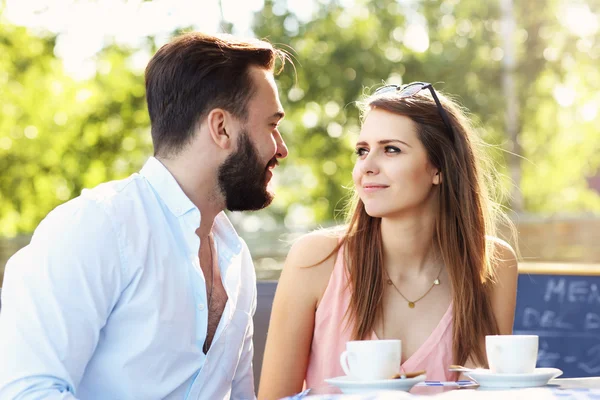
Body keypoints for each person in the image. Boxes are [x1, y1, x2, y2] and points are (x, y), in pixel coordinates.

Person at [0, 32, 289, 399]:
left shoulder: (236, 258)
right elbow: (27, 392)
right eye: (272, 125)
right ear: (221, 128)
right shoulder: (94, 228)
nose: (281, 148)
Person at [258, 82, 518, 399]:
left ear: (439, 168)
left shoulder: (492, 263)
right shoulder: (315, 259)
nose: (366, 166)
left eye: (391, 149)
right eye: (362, 151)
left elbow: (490, 393)